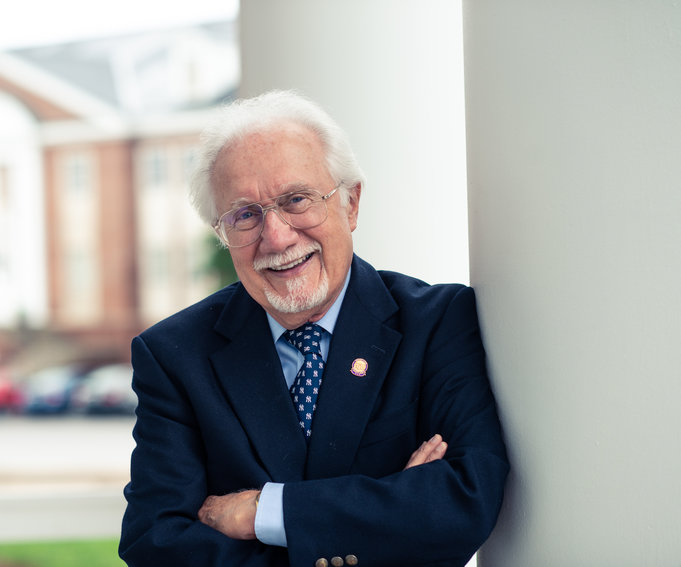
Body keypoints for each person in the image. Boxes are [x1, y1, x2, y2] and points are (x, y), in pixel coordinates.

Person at [119, 90, 508, 567]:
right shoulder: (174, 355)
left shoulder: (438, 321)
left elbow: (464, 501)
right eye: (245, 215)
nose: (277, 236)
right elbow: (154, 545)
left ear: (351, 204)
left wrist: (264, 512)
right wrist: (391, 510)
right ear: (222, 235)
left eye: (297, 199)